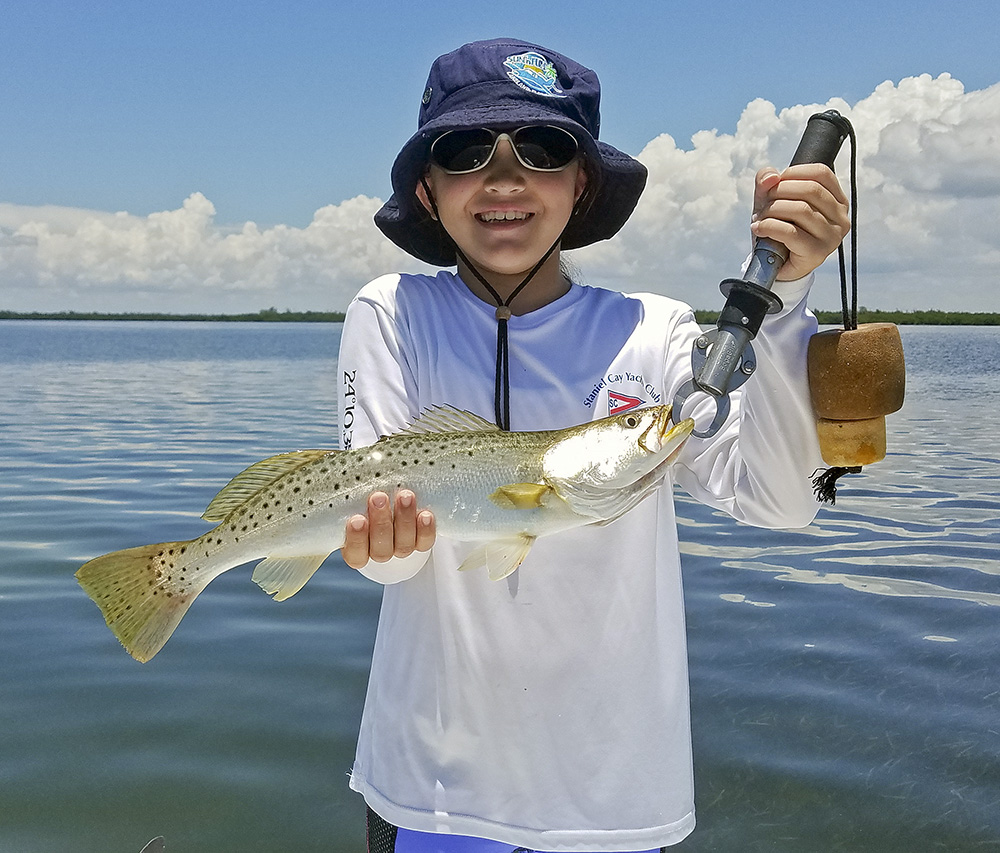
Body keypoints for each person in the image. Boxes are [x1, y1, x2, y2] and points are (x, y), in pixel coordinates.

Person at [337, 38, 849, 853]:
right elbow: (395, 564)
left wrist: (785, 306)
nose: (504, 178)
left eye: (542, 150)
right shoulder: (391, 312)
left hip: (613, 798)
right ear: (428, 192)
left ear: (581, 185)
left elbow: (781, 504)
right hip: (432, 791)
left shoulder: (655, 333)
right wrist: (379, 546)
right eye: (466, 150)